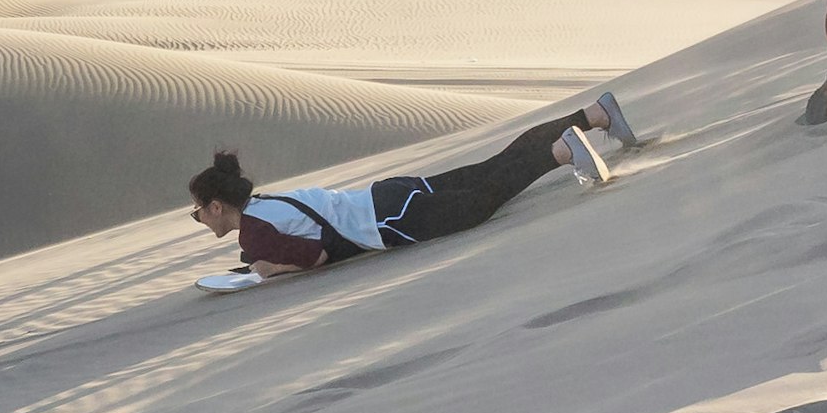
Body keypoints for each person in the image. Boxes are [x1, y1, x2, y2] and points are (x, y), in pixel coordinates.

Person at [189, 106, 628, 278]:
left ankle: (561, 153)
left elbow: (315, 256)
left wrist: (270, 269)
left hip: (392, 222)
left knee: (488, 196)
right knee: (491, 167)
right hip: (389, 196)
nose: (200, 220)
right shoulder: (263, 207)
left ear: (216, 206)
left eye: (198, 213)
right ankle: (593, 115)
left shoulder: (252, 232)